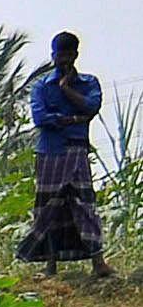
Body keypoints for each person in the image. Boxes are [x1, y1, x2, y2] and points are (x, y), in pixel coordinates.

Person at [20, 31, 111, 278]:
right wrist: (72, 118)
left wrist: (66, 89)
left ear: (75, 55)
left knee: (84, 205)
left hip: (77, 150)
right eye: (59, 56)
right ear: (53, 56)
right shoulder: (40, 86)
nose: (63, 61)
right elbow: (41, 119)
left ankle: (98, 262)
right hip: (50, 153)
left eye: (68, 55)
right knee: (49, 208)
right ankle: (50, 265)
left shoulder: (89, 82)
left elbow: (91, 107)